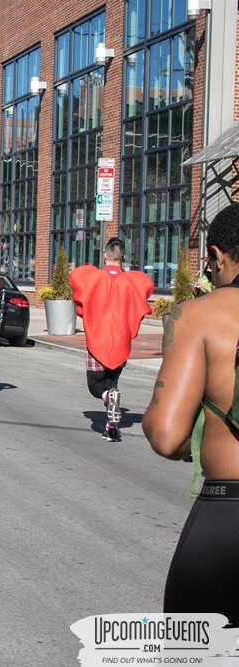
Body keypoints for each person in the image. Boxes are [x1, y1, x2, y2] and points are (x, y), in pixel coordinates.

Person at [143, 203, 239, 623]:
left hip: (228, 517)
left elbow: (167, 435)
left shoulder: (199, 315)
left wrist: (194, 442)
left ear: (219, 255)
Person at [73, 237, 155, 441]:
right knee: (112, 383)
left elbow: (81, 307)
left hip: (97, 339)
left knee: (95, 385)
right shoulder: (132, 282)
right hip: (120, 341)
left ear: (104, 255)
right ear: (123, 257)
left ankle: (106, 398)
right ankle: (111, 428)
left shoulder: (91, 278)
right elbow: (139, 305)